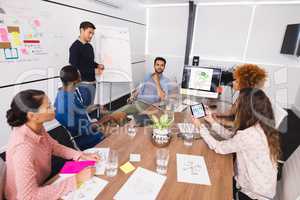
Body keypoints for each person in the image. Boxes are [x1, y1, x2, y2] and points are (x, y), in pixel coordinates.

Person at [5, 90, 100, 200]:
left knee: (89, 169)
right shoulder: (22, 148)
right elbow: (28, 196)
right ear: (32, 116)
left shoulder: (36, 126)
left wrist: (80, 155)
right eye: (49, 106)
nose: (54, 108)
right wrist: (77, 180)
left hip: (43, 183)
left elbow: (53, 146)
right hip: (28, 195)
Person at [193, 88, 281, 200]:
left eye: (237, 103)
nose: (235, 106)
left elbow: (219, 148)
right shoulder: (261, 126)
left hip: (253, 194)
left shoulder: (249, 135)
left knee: (211, 183)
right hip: (265, 186)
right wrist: (212, 122)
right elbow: (234, 138)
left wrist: (200, 127)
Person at [55, 65, 126, 150]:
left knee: (118, 121)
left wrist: (96, 106)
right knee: (119, 134)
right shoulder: (65, 104)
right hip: (85, 139)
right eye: (79, 77)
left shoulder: (67, 93)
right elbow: (84, 129)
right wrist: (108, 118)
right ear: (75, 81)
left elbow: (80, 110)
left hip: (88, 128)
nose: (81, 79)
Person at [69, 21, 104, 107]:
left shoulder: (89, 46)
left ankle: (88, 120)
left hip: (92, 82)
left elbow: (89, 62)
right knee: (82, 108)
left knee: (89, 106)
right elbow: (75, 69)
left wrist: (97, 65)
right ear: (82, 30)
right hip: (82, 85)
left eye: (93, 33)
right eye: (89, 32)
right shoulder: (74, 47)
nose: (91, 35)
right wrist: (93, 71)